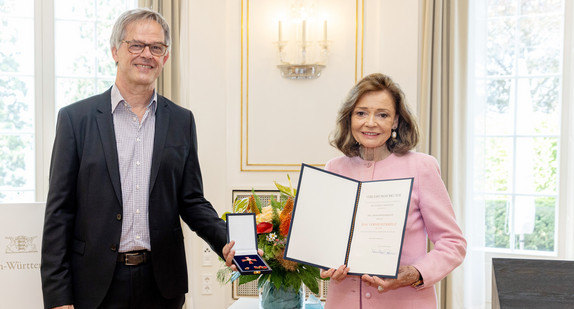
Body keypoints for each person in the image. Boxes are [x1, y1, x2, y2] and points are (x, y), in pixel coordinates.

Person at [40, 8, 237, 309]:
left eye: (156, 48)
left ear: (165, 58)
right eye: (136, 45)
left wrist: (227, 241)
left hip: (162, 285)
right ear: (115, 51)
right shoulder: (75, 120)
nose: (146, 54)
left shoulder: (181, 120)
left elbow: (192, 201)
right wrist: (58, 296)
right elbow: (59, 213)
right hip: (95, 285)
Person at [320, 73, 466, 308]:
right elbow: (326, 241)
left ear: (396, 121)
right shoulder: (333, 169)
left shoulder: (422, 167)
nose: (370, 122)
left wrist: (415, 272)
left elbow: (453, 243)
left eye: (382, 114)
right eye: (361, 113)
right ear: (349, 118)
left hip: (406, 301)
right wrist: (325, 264)